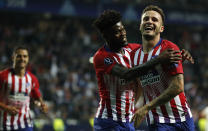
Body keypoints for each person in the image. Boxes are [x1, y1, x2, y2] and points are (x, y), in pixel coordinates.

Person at [92, 10, 193, 131]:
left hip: (129, 121)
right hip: (108, 121)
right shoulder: (101, 56)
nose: (123, 33)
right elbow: (126, 74)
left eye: (123, 29)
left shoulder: (133, 50)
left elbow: (151, 58)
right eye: (117, 32)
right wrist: (158, 59)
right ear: (106, 35)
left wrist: (177, 58)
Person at [131, 5, 195, 131]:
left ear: (161, 28)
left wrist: (146, 107)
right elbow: (138, 84)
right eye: (146, 19)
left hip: (183, 119)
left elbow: (178, 86)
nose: (149, 21)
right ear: (140, 26)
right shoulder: (134, 55)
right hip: (157, 122)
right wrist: (131, 109)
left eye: (154, 20)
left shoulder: (169, 49)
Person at [0, 46, 48, 131]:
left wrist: (41, 105)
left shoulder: (32, 79)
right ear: (13, 58)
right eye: (19, 56)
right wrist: (6, 108)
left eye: (25, 56)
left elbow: (36, 98)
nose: (22, 59)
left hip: (25, 123)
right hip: (6, 124)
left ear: (28, 59)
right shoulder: (3, 76)